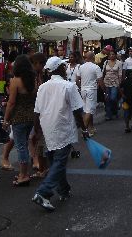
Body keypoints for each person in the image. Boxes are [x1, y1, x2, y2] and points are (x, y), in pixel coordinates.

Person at [32, 57, 90, 211]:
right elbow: (78, 111)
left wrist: (36, 131)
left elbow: (36, 113)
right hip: (63, 128)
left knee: (56, 162)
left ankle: (64, 190)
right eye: (64, 67)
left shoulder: (42, 87)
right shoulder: (69, 86)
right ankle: (43, 192)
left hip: (47, 128)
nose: (66, 69)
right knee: (59, 163)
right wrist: (84, 129)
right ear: (60, 69)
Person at [3, 55, 36, 186]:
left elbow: (11, 103)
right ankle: (24, 172)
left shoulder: (15, 81)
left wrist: (6, 119)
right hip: (31, 117)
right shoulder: (33, 81)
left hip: (18, 117)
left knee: (21, 146)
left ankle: (23, 175)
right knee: (25, 145)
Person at [77, 52, 103, 134]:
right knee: (89, 110)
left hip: (83, 90)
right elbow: (100, 80)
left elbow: (77, 79)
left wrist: (80, 87)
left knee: (87, 109)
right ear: (93, 57)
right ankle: (84, 130)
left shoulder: (81, 67)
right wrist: (104, 90)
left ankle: (91, 128)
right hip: (91, 90)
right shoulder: (96, 67)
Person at [102, 51, 123, 121]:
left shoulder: (119, 63)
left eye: (113, 54)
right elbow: (103, 72)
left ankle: (115, 109)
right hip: (106, 82)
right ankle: (108, 114)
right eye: (110, 54)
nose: (111, 55)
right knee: (107, 99)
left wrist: (119, 84)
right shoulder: (106, 62)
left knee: (113, 98)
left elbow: (120, 74)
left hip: (115, 83)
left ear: (115, 55)